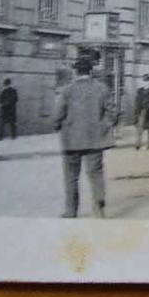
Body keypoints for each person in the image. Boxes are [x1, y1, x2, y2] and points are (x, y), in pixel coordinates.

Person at [54, 50, 115, 218]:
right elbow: (112, 113)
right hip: (95, 140)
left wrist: (56, 125)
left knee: (71, 177)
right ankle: (99, 209)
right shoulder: (102, 88)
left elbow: (57, 115)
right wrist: (105, 126)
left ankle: (71, 211)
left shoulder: (67, 91)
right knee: (96, 174)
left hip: (71, 141)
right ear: (91, 71)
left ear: (76, 71)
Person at [134, 74, 149, 150]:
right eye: (144, 81)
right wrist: (136, 111)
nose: (145, 83)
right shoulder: (140, 91)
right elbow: (137, 101)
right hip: (142, 111)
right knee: (140, 128)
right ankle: (138, 143)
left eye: (146, 81)